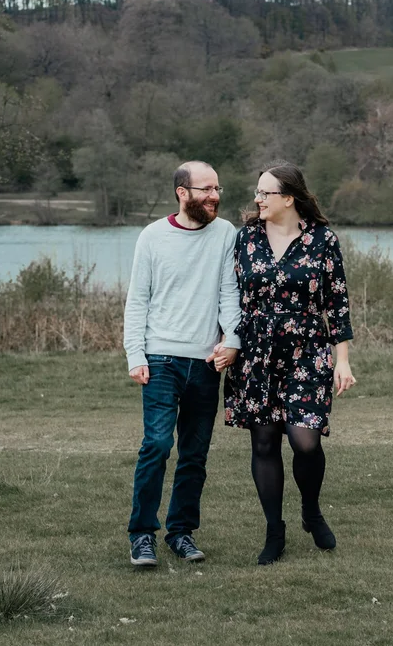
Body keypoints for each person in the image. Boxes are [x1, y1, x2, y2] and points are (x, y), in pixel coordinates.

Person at [223, 160, 356, 565]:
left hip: (308, 350)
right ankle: (274, 530)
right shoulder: (246, 238)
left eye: (265, 193)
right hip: (256, 352)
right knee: (264, 442)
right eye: (258, 192)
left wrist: (343, 361)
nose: (258, 199)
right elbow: (229, 295)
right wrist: (225, 340)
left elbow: (337, 303)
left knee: (305, 440)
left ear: (288, 198)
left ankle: (311, 511)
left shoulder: (322, 240)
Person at [123, 160, 241, 567]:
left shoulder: (225, 234)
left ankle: (180, 532)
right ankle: (142, 535)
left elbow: (230, 293)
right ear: (182, 192)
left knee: (194, 454)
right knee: (157, 445)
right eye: (206, 189)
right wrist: (135, 354)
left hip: (206, 362)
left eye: (217, 188)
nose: (214, 196)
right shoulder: (153, 237)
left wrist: (233, 339)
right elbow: (137, 299)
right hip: (159, 359)